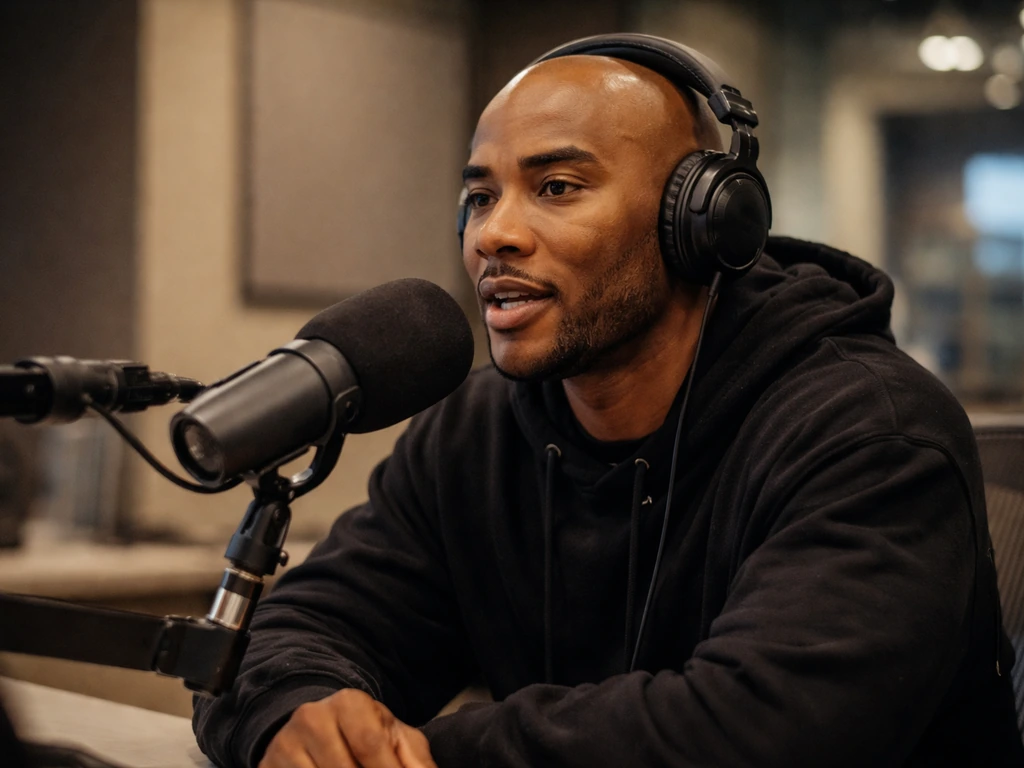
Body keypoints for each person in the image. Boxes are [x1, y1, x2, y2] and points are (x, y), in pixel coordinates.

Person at [193, 34, 1024, 767]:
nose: (493, 235)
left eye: (556, 187)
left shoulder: (869, 434)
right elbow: (290, 639)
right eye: (481, 196)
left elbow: (760, 734)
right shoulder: (474, 434)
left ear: (699, 221)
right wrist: (290, 715)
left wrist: (410, 754)